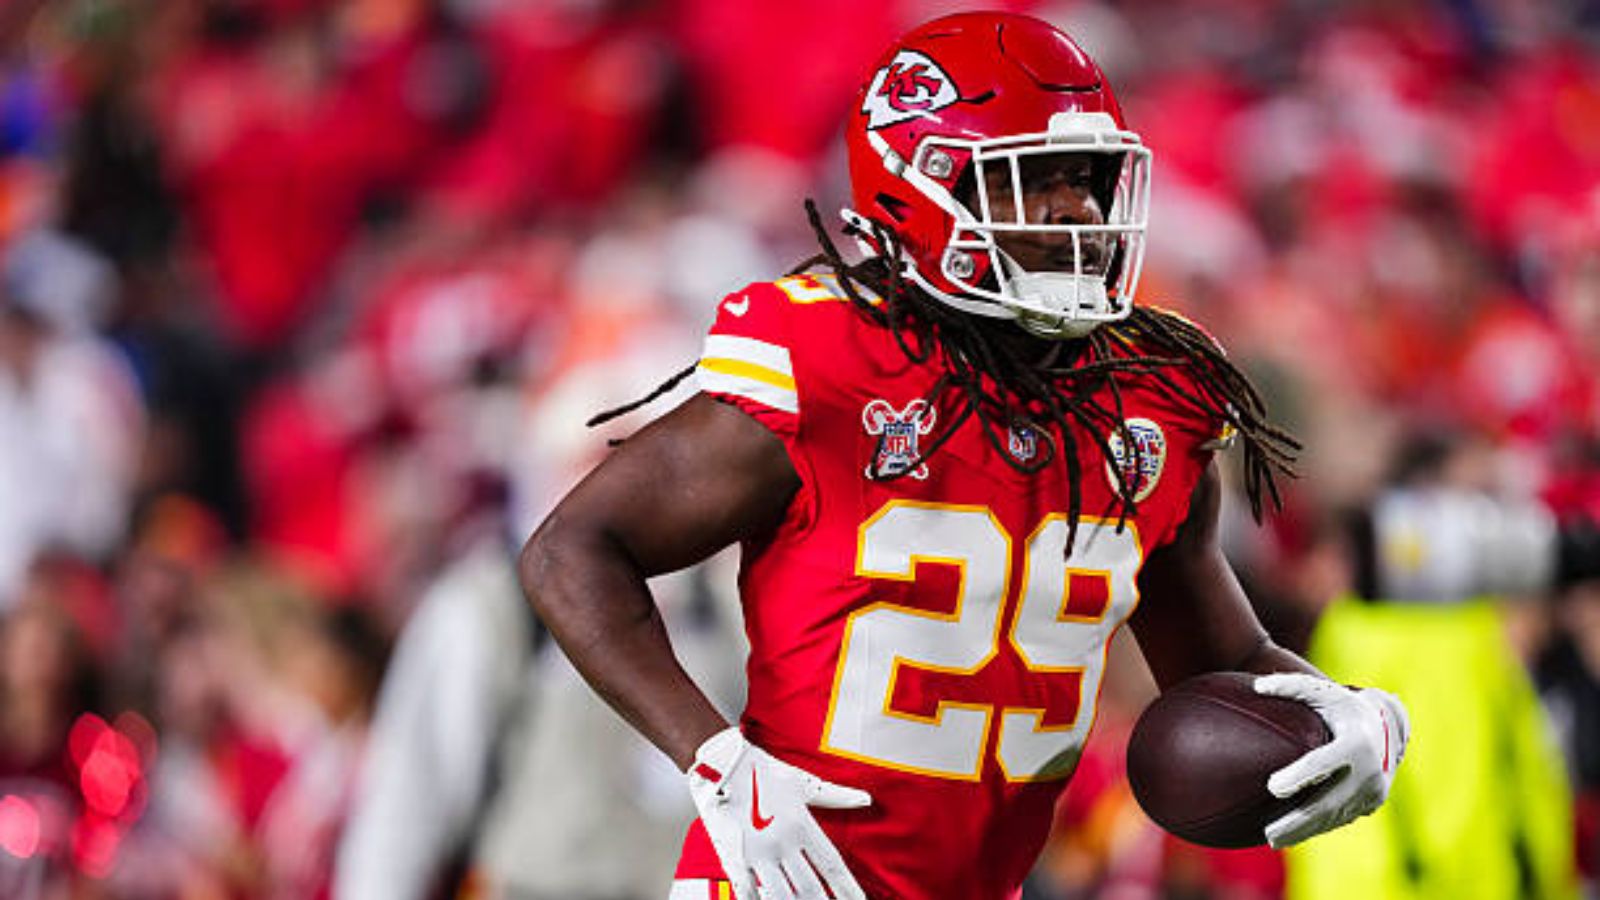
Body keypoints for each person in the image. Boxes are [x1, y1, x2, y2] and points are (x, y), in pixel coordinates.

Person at [521, 12, 1410, 900]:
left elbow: (1218, 662)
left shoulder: (1151, 398)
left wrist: (1354, 718)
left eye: (1086, 180)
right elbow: (571, 550)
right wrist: (714, 758)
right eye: (1032, 182)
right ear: (924, 194)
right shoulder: (832, 362)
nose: (1076, 212)